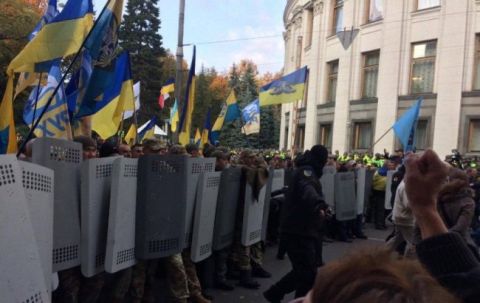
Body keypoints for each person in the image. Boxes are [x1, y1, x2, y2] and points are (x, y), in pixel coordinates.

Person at [291, 150, 480, 303]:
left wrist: (424, 208)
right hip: (302, 228)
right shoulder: (306, 174)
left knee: (306, 270)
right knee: (305, 269)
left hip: (307, 228)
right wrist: (425, 208)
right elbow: (467, 290)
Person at [264, 145, 329, 302]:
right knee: (307, 273)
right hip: (298, 230)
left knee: (305, 272)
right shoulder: (306, 172)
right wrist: (319, 204)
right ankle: (275, 293)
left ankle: (282, 294)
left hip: (303, 228)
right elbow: (308, 190)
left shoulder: (306, 171)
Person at [437, 168, 479, 258]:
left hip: (437, 243)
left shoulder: (438, 198)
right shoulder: (468, 201)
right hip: (460, 244)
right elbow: (461, 227)